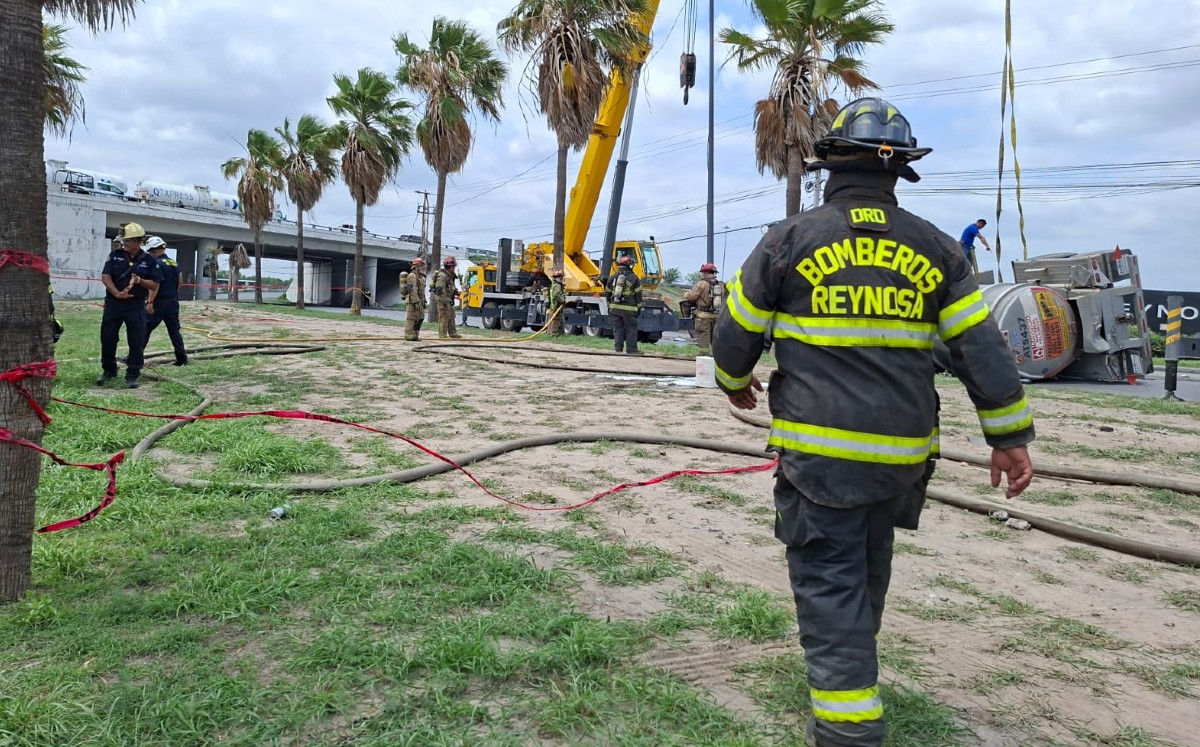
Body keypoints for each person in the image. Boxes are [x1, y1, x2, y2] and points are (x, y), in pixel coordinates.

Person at [711, 97, 1035, 747]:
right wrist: (1010, 438)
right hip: (901, 464)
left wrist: (731, 381)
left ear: (831, 164)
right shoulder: (939, 251)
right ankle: (852, 674)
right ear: (899, 170)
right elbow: (982, 350)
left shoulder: (787, 241)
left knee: (831, 585)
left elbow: (735, 334)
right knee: (864, 570)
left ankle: (848, 729)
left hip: (819, 464)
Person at [97, 222, 161, 388]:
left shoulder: (148, 260)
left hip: (136, 306)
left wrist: (140, 280)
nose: (124, 243)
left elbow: (154, 285)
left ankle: (133, 374)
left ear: (137, 241)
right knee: (108, 337)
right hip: (114, 304)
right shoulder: (115, 255)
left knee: (136, 340)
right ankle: (109, 370)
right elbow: (106, 276)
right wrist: (116, 293)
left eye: (127, 241)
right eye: (123, 240)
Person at [143, 236, 188, 366]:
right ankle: (182, 359)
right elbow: (180, 282)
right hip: (173, 301)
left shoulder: (156, 264)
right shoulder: (174, 263)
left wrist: (150, 302)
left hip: (159, 302)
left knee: (144, 329)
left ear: (153, 250)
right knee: (174, 331)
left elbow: (155, 284)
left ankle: (134, 358)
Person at [684, 262, 724, 356]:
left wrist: (686, 294)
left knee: (703, 334)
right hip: (716, 315)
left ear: (705, 273)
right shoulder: (720, 285)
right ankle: (717, 355)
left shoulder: (701, 284)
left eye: (702, 272)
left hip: (703, 315)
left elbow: (692, 297)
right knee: (714, 335)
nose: (702, 274)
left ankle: (704, 353)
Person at [606, 255, 643, 354]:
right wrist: (639, 308)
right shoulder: (634, 278)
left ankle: (618, 350)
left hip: (614, 308)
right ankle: (631, 350)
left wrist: (609, 305)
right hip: (629, 310)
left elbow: (607, 293)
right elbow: (638, 295)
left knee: (618, 329)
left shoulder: (612, 277)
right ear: (630, 266)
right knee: (631, 329)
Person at [431, 256, 462, 339]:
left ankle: (453, 333)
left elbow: (450, 287)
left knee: (451, 316)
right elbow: (439, 290)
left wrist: (456, 293)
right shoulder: (442, 276)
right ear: (450, 267)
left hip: (448, 300)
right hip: (443, 300)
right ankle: (442, 335)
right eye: (454, 266)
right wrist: (443, 301)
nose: (454, 268)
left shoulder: (449, 276)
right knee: (444, 317)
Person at [403, 258, 427, 341]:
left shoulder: (421, 277)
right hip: (412, 302)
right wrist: (416, 302)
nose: (424, 267)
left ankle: (415, 334)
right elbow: (411, 290)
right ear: (417, 267)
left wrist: (424, 300)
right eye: (422, 265)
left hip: (419, 301)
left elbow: (421, 291)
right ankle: (409, 335)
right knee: (411, 318)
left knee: (420, 317)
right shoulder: (412, 276)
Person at [548, 269, 567, 336]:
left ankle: (561, 333)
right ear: (560, 277)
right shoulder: (558, 285)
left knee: (559, 319)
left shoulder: (554, 284)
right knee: (556, 319)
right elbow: (556, 294)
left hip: (554, 304)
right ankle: (554, 333)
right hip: (556, 305)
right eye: (561, 277)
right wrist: (562, 300)